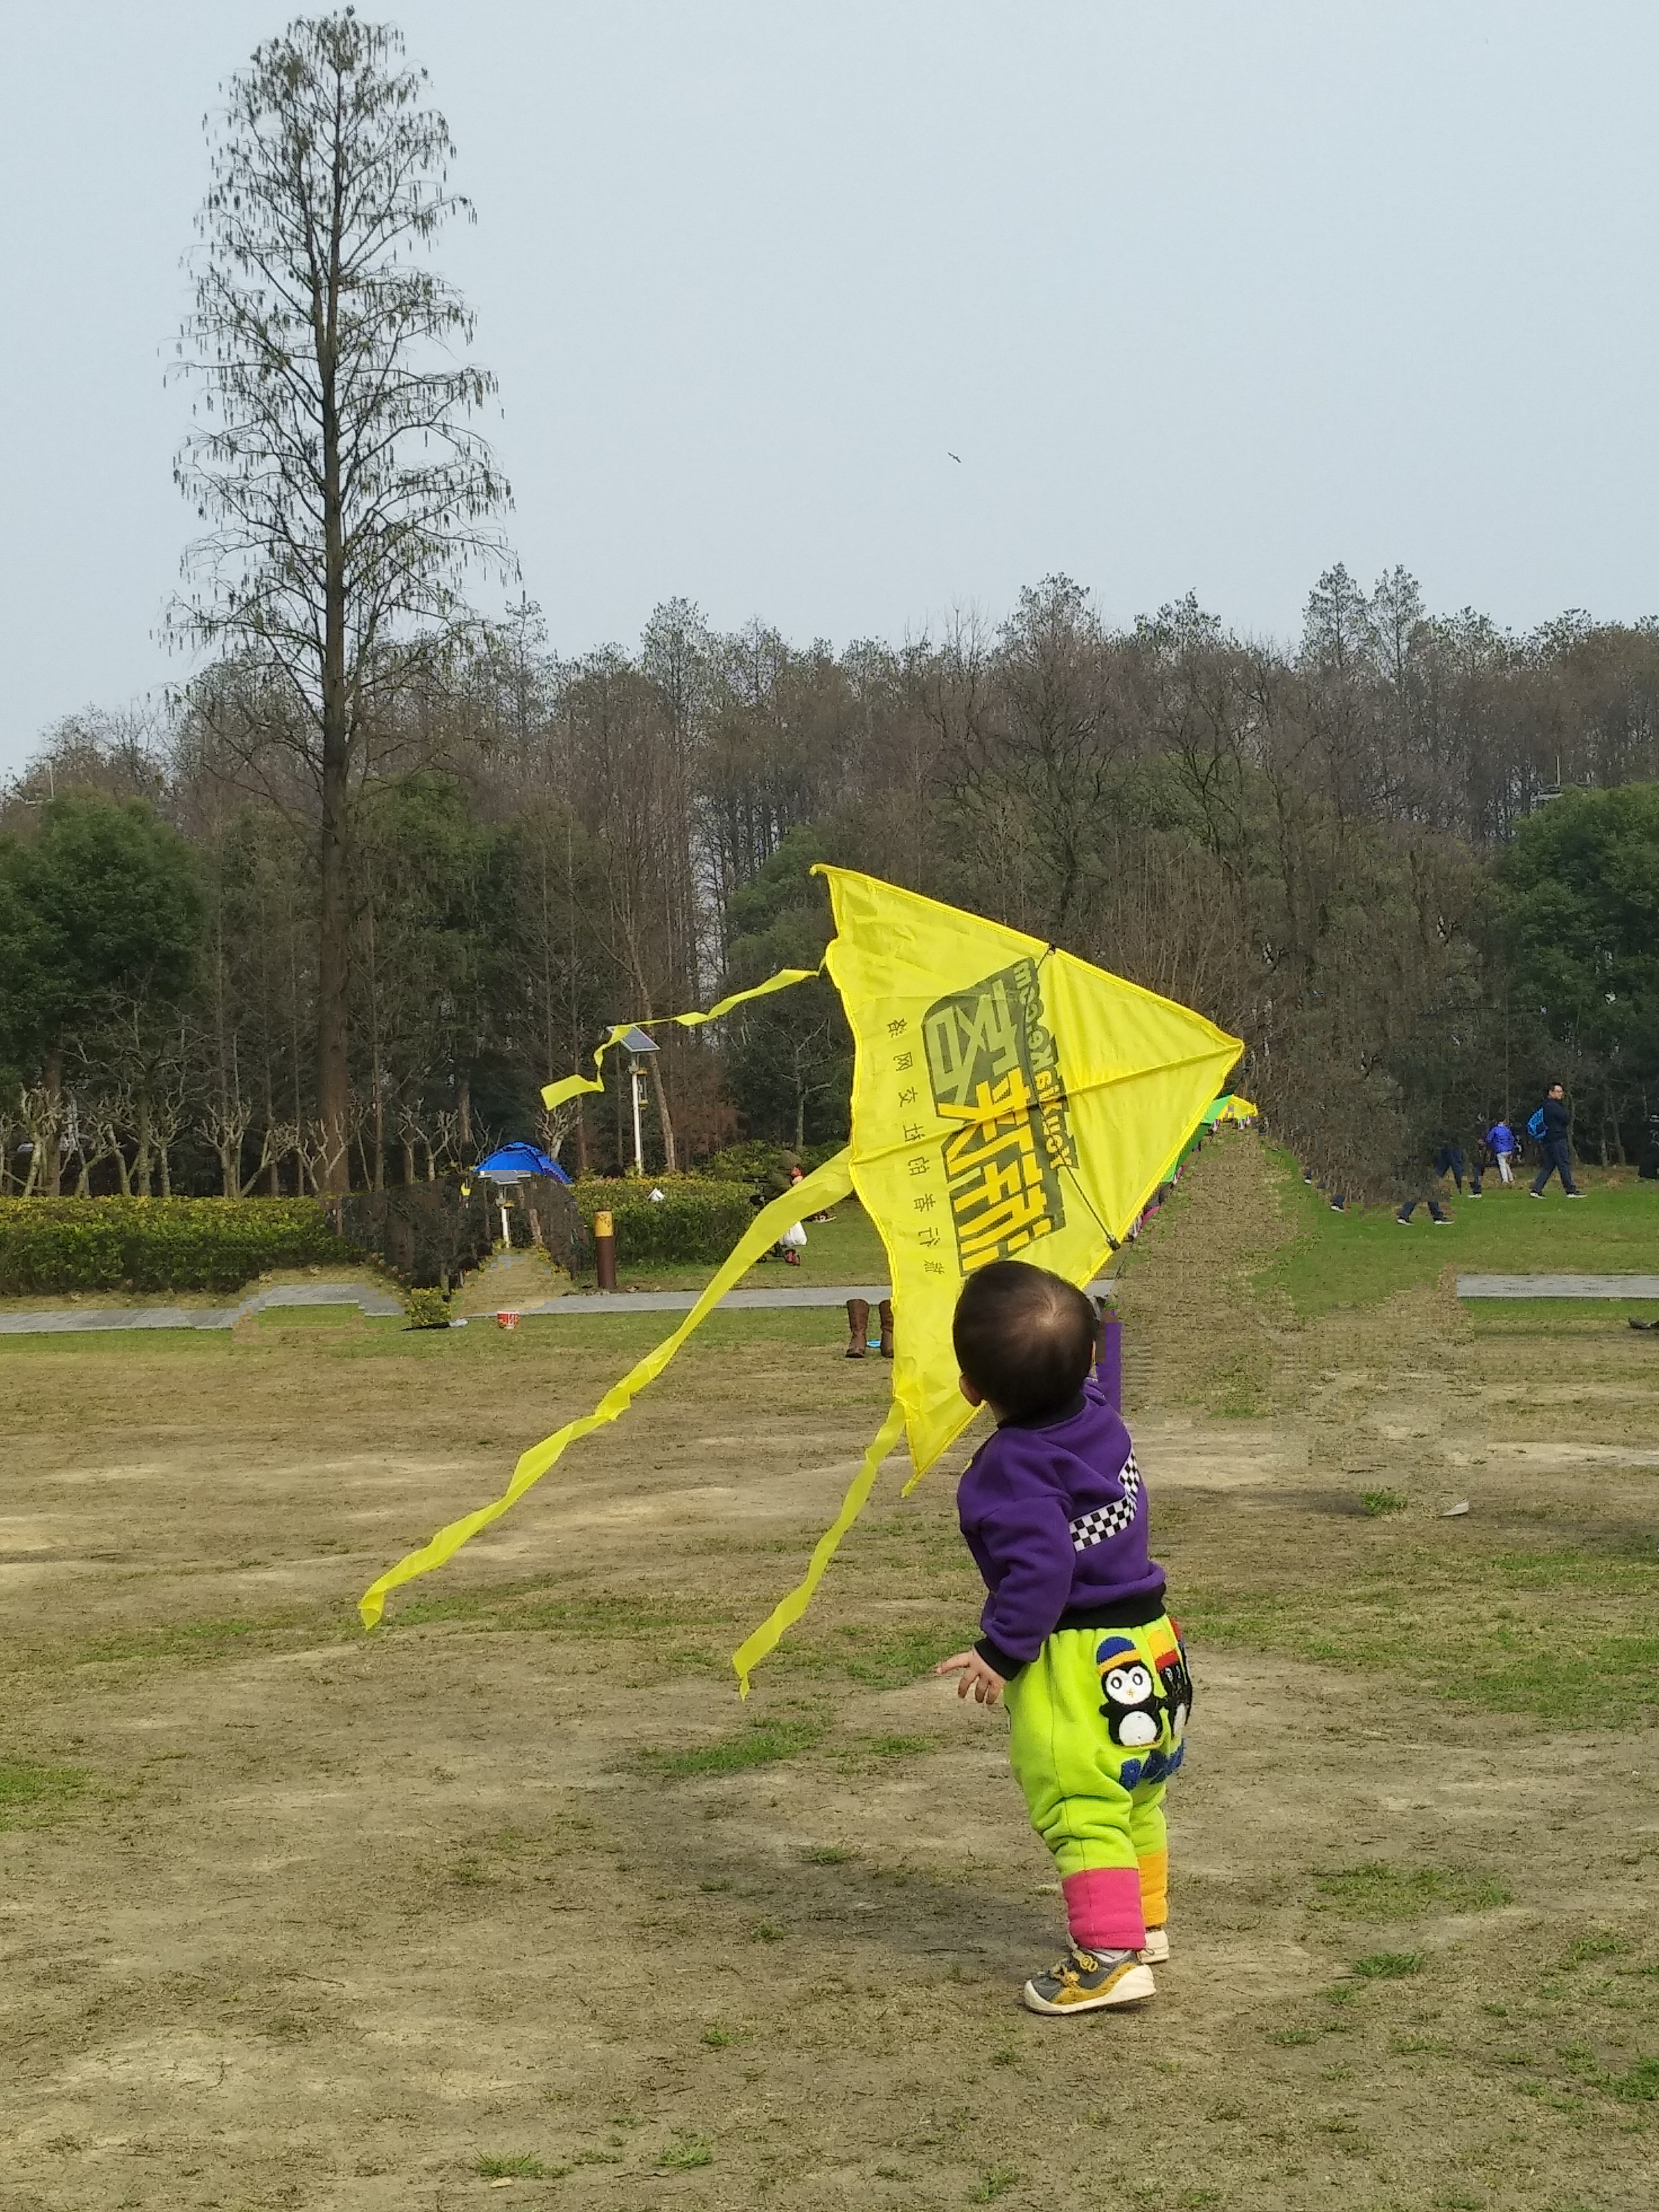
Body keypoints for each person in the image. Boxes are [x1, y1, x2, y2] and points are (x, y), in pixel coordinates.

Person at [934, 1261, 1190, 2016]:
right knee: (1135, 1793)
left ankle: (1110, 1959)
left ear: (970, 1388)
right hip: (1152, 1644)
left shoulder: (1011, 1471)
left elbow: (1043, 1570)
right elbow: (1093, 1365)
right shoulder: (1100, 1417)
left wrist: (1000, 1651)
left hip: (1078, 1658)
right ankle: (1143, 1922)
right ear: (1091, 1362)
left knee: (1082, 1807)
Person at [1530, 1084, 1582, 1198]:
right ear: (1551, 1092)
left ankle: (1536, 1189)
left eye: (1561, 1092)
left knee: (1549, 1165)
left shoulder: (1545, 1106)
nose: (1560, 1094)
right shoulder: (1553, 1106)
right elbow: (1565, 1118)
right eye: (1558, 1091)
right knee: (1563, 1163)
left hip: (1548, 1139)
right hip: (1557, 1138)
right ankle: (1570, 1190)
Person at [1486, 1114, 1517, 1187]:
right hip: (1509, 1150)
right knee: (1506, 1164)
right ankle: (1511, 1179)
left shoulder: (1495, 1130)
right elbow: (1512, 1139)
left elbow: (1488, 1139)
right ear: (1505, 1120)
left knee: (1502, 1166)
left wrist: (1492, 1145)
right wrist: (1512, 1150)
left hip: (1500, 1151)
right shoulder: (1507, 1130)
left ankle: (1505, 1181)